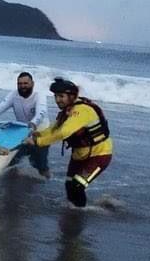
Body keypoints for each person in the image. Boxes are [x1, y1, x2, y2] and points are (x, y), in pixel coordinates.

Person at [24, 78, 113, 207]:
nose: (57, 100)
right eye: (55, 96)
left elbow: (63, 133)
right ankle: (73, 214)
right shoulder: (68, 110)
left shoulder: (81, 111)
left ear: (71, 96)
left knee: (77, 185)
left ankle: (82, 214)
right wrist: (38, 134)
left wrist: (38, 142)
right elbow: (54, 128)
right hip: (79, 155)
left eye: (61, 96)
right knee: (69, 184)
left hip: (99, 154)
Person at [0, 72, 51, 177]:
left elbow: (41, 112)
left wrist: (33, 123)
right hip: (22, 133)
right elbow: (1, 107)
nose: (22, 86)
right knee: (13, 160)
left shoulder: (39, 95)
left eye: (25, 83)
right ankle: (13, 181)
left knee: (40, 165)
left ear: (32, 83)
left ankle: (47, 182)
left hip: (40, 132)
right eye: (20, 83)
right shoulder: (14, 95)